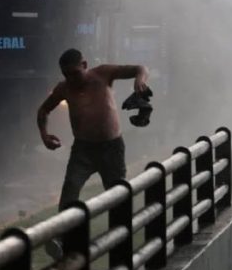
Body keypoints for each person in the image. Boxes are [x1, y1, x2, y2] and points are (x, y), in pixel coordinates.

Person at [37, 49, 150, 216]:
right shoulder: (64, 88)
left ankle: (121, 236)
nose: (72, 79)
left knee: (118, 196)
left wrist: (140, 79)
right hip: (83, 150)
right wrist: (44, 135)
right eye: (66, 75)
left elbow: (140, 68)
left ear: (84, 65)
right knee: (70, 191)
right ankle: (65, 237)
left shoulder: (103, 73)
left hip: (112, 147)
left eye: (75, 73)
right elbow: (44, 110)